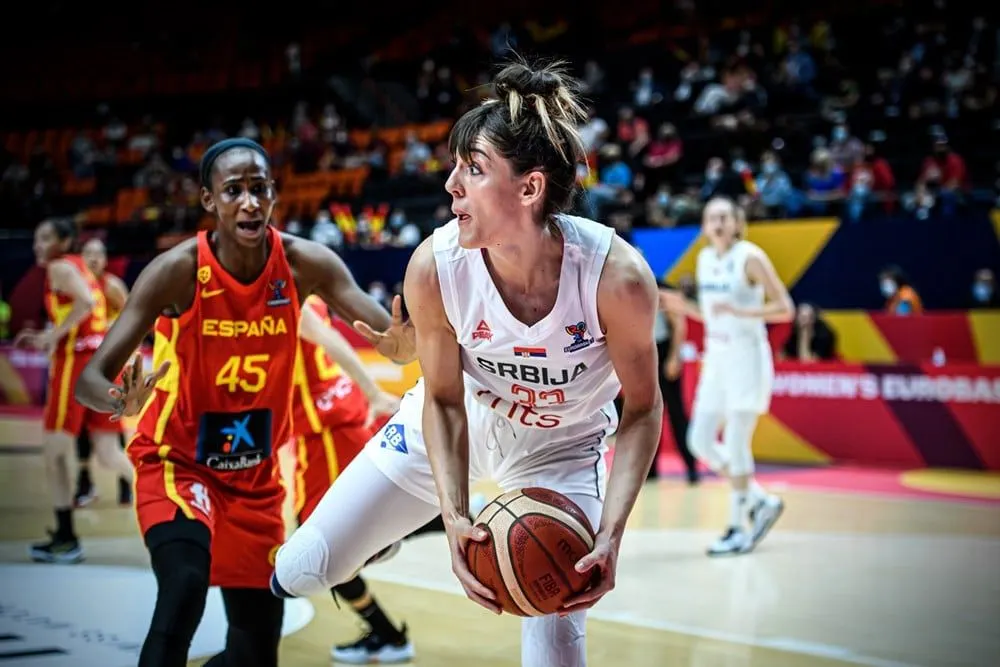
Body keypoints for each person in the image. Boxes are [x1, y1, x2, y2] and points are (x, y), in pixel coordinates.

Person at [272, 60, 663, 667]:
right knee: (301, 568)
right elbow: (445, 401)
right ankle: (386, 534)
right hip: (462, 425)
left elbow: (641, 408)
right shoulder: (435, 266)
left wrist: (611, 531)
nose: (451, 185)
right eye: (455, 167)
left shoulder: (616, 278)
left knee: (556, 641)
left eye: (473, 170)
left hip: (563, 449)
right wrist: (454, 518)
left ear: (529, 188)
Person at [74, 138, 415, 667]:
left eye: (259, 189)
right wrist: (119, 398)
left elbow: (385, 332)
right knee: (183, 590)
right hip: (178, 463)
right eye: (234, 190)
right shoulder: (177, 271)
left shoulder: (306, 264)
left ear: (275, 194)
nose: (250, 202)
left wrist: (401, 346)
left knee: (254, 655)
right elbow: (89, 378)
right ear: (209, 201)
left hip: (254, 481)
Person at [662, 197, 792, 556]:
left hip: (746, 357)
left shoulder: (750, 257)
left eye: (724, 217)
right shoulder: (705, 260)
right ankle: (758, 499)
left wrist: (743, 310)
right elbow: (711, 315)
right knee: (699, 440)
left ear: (737, 223)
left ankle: (737, 527)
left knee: (736, 443)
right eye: (711, 217)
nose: (717, 223)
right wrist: (679, 306)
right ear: (704, 226)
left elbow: (785, 308)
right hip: (716, 358)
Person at [290, 296, 415, 664]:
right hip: (333, 418)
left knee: (320, 547)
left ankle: (387, 634)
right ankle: (455, 514)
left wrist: (373, 391)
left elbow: (331, 342)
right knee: (328, 542)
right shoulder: (311, 296)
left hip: (327, 427)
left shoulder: (287, 300)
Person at [14, 218, 134, 564]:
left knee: (54, 451)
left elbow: (83, 303)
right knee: (109, 453)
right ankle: (170, 496)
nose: (38, 245)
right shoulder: (80, 267)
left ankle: (66, 538)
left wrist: (53, 335)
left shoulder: (60, 267)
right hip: (100, 361)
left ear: (64, 241)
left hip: (78, 364)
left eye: (45, 238)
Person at [75, 237, 132, 507]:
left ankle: (127, 482)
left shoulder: (111, 286)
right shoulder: (76, 285)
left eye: (99, 254)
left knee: (112, 428)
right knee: (81, 431)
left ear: (106, 259)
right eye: (88, 253)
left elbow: (133, 320)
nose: (94, 259)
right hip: (82, 366)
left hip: (109, 366)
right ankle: (84, 482)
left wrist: (107, 329)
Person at [653, 281, 698, 483]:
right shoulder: (623, 286)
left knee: (676, 413)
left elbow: (678, 325)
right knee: (647, 414)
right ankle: (650, 470)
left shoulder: (659, 287)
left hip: (664, 352)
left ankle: (691, 467)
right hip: (644, 354)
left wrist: (674, 357)